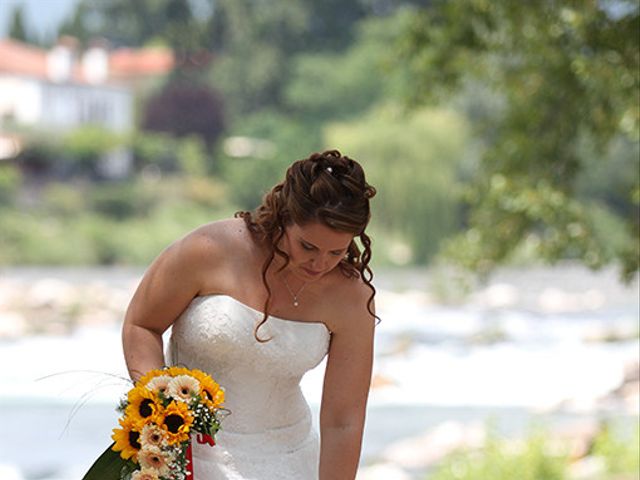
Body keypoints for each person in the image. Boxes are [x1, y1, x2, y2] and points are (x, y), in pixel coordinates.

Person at [122, 149, 378, 479]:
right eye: (308, 247)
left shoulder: (351, 297)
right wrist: (159, 414)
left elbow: (343, 419)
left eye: (336, 251)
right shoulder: (209, 248)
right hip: (187, 456)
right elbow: (142, 325)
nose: (320, 264)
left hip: (289, 462)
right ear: (286, 217)